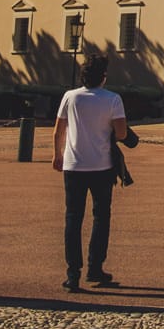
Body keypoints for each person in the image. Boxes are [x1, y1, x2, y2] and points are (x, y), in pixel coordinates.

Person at [54, 54, 130, 292]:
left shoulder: (70, 96)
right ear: (103, 77)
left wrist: (57, 155)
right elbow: (121, 134)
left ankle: (72, 273)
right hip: (102, 166)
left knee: (73, 218)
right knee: (101, 217)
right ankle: (95, 268)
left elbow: (58, 130)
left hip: (73, 165)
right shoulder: (113, 99)